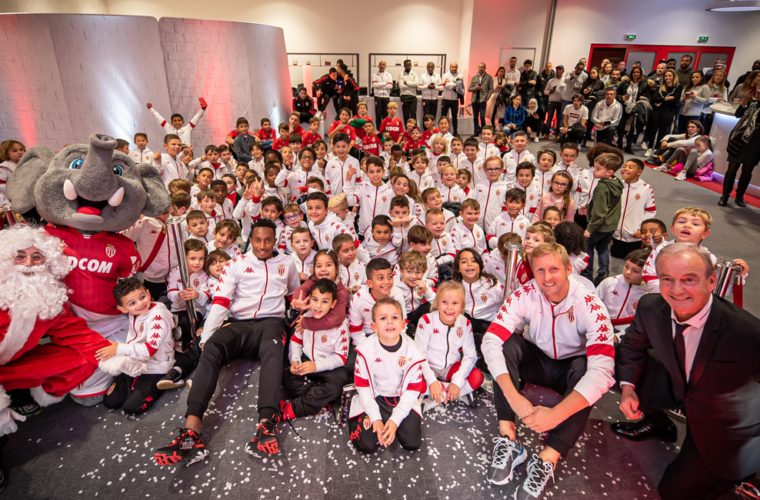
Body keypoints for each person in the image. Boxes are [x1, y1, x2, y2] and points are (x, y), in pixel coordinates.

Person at [612, 243, 760, 500]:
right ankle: (659, 425)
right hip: (682, 390)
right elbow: (631, 347)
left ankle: (744, 472)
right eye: (667, 279)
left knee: (674, 492)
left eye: (689, 279)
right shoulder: (650, 307)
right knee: (616, 362)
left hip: (725, 424)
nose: (676, 290)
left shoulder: (748, 334)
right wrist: (627, 389)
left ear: (711, 281)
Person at [0, 225, 143, 487]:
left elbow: (72, 330)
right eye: (20, 257)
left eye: (36, 258)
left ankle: (23, 396)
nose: (28, 264)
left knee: (82, 358)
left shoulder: (46, 295)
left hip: (9, 365)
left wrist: (113, 356)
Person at [153, 218, 300, 467]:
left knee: (274, 352)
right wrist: (207, 336)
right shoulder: (236, 263)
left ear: (275, 240)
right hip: (239, 323)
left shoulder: (287, 262)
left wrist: (300, 313)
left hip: (271, 323)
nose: (262, 245)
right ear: (250, 240)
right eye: (257, 240)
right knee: (211, 348)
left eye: (268, 240)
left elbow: (294, 294)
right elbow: (221, 302)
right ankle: (190, 432)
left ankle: (265, 425)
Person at [482, 242, 614, 499]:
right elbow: (490, 340)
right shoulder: (525, 293)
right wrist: (512, 396)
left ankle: (547, 458)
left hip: (571, 366)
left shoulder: (590, 304)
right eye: (540, 270)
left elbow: (604, 371)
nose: (546, 277)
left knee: (588, 375)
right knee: (505, 344)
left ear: (568, 269)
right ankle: (509, 438)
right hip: (536, 358)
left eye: (554, 269)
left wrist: (556, 415)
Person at [348, 297, 424, 453]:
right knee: (367, 446)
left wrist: (395, 420)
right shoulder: (365, 351)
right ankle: (362, 414)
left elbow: (413, 389)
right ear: (374, 326)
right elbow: (363, 387)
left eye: (395, 317)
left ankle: (390, 419)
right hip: (375, 396)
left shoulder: (413, 351)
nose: (389, 322)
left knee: (412, 443)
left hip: (400, 397)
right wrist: (375, 418)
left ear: (403, 324)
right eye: (383, 318)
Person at [98, 278, 176, 415]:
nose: (140, 304)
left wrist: (118, 348)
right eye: (132, 303)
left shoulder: (158, 317)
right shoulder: (134, 314)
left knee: (131, 408)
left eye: (142, 297)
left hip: (156, 365)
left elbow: (150, 350)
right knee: (111, 401)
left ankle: (157, 383)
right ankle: (135, 383)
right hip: (135, 360)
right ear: (123, 309)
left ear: (148, 293)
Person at [280, 278, 349, 424]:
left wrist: (316, 366)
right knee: (286, 377)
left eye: (325, 301)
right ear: (310, 299)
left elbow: (341, 358)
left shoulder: (340, 326)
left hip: (328, 368)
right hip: (306, 363)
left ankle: (293, 409)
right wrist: (295, 360)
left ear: (333, 304)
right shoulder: (306, 317)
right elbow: (296, 340)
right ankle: (326, 399)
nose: (318, 306)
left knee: (338, 381)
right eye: (315, 300)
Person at [415, 281, 484, 412]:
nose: (449, 308)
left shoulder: (465, 323)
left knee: (477, 376)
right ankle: (451, 393)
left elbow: (470, 356)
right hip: (427, 368)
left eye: (455, 303)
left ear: (462, 306)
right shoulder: (426, 321)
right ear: (437, 303)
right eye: (444, 302)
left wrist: (457, 382)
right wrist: (432, 381)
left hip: (450, 369)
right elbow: (419, 355)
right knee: (411, 380)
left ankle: (439, 396)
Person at [581, 153, 623, 286]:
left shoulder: (602, 187)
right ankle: (604, 272)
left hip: (599, 225)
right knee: (603, 247)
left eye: (598, 168)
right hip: (611, 225)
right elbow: (607, 204)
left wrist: (589, 229)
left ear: (609, 172)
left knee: (587, 247)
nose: (594, 170)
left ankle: (587, 274)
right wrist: (588, 207)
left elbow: (600, 212)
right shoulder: (616, 182)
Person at [720, 79, 760, 207]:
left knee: (747, 170)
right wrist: (745, 100)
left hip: (756, 141)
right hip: (739, 138)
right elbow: (738, 115)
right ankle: (725, 196)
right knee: (732, 167)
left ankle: (739, 196)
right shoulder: (751, 100)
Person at [611, 159, 656, 258]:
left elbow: (650, 211)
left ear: (639, 172)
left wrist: (642, 228)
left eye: (630, 167)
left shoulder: (646, 188)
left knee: (635, 259)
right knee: (616, 256)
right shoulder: (617, 185)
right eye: (624, 166)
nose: (625, 169)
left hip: (635, 235)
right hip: (616, 233)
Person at [643, 70, 683, 157]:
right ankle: (650, 148)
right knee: (653, 130)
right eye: (666, 76)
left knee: (662, 131)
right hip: (657, 111)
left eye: (670, 76)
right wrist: (666, 99)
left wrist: (661, 100)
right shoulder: (660, 86)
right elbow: (654, 99)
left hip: (668, 111)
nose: (667, 78)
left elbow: (675, 100)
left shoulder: (678, 87)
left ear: (674, 77)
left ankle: (657, 149)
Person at [617, 66, 648, 153]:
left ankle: (628, 145)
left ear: (640, 74)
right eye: (634, 72)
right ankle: (619, 143)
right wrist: (621, 97)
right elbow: (617, 93)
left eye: (638, 72)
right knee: (621, 126)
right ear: (631, 73)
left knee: (633, 128)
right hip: (624, 106)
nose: (636, 74)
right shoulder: (625, 83)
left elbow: (647, 96)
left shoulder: (644, 84)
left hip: (636, 108)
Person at [700, 68, 729, 134]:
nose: (718, 77)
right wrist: (717, 99)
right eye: (717, 75)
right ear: (713, 76)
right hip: (705, 109)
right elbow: (705, 99)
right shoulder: (706, 86)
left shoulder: (724, 88)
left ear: (723, 78)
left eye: (721, 76)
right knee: (704, 125)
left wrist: (711, 99)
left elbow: (724, 101)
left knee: (712, 128)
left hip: (716, 111)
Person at [469, 62, 494, 136]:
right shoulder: (474, 77)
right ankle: (476, 131)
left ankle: (484, 131)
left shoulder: (488, 77)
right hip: (474, 100)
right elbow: (469, 88)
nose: (481, 69)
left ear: (485, 68)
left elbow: (491, 89)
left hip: (483, 100)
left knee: (482, 116)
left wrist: (487, 98)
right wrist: (475, 88)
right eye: (479, 67)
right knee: (475, 117)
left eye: (482, 67)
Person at [543, 65, 566, 138]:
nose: (558, 71)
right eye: (557, 69)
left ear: (563, 71)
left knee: (559, 119)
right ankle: (546, 134)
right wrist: (550, 91)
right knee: (549, 118)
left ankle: (557, 134)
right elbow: (545, 92)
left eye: (560, 69)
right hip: (551, 101)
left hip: (560, 102)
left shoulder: (565, 81)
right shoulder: (551, 81)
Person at [442, 62, 463, 136]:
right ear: (450, 67)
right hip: (446, 99)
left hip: (454, 99)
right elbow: (445, 85)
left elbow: (459, 86)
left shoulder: (459, 76)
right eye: (453, 67)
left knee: (455, 117)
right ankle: (443, 131)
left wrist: (450, 84)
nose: (454, 68)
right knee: (443, 117)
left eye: (455, 67)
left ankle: (455, 132)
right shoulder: (445, 75)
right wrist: (454, 84)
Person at [398, 60, 420, 125]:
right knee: (406, 115)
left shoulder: (414, 74)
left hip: (413, 96)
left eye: (410, 65)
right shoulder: (400, 74)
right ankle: (407, 129)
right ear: (404, 65)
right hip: (404, 96)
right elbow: (401, 86)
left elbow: (416, 84)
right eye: (407, 65)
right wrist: (411, 85)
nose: (409, 66)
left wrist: (407, 83)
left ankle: (414, 128)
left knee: (413, 114)